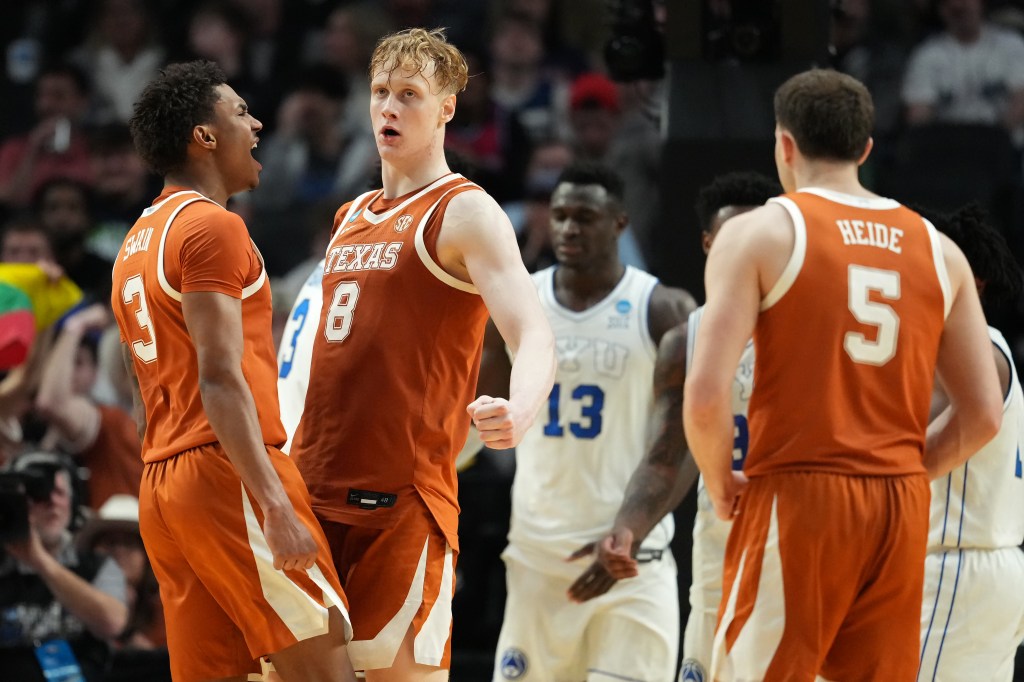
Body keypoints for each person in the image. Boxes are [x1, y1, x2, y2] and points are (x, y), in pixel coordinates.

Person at [683, 68, 1002, 680]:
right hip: (900, 504)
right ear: (866, 149)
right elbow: (983, 412)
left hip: (798, 492)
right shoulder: (940, 249)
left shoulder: (760, 232)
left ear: (784, 145)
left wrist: (722, 481)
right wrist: (910, 471)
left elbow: (705, 395)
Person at [289, 27, 555, 680]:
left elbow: (535, 331)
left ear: (446, 109)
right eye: (380, 92)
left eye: (410, 95)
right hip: (312, 490)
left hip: (400, 499)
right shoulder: (350, 214)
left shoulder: (466, 212)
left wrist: (521, 409)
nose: (389, 108)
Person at [110, 60, 355, 682]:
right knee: (326, 669)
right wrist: (272, 503)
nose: (257, 122)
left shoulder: (137, 239)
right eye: (241, 111)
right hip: (227, 471)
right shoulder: (213, 227)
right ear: (206, 136)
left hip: (164, 479)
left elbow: (149, 387)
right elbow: (220, 377)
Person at [477, 161, 694, 681]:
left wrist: (631, 532)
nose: (569, 228)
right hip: (537, 559)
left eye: (585, 217)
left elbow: (681, 445)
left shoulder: (662, 309)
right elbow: (472, 414)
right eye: (560, 215)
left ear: (619, 221)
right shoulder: (516, 302)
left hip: (629, 561)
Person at [571, 171, 782, 682]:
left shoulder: (813, 328)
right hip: (718, 550)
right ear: (710, 245)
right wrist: (627, 528)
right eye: (734, 238)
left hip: (797, 552)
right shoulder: (690, 339)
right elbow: (666, 454)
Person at [917, 203, 1024, 682]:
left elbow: (905, 442)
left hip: (957, 570)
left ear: (972, 281)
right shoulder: (987, 348)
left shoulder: (967, 346)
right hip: (983, 572)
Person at [0, 451, 128, 682]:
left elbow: (112, 622)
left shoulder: (95, 565)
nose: (52, 502)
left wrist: (39, 561)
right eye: (39, 494)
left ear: (73, 502)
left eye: (59, 492)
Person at [35, 302, 144, 508]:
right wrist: (76, 326)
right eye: (133, 361)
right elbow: (52, 403)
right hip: (118, 535)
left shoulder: (191, 421)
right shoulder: (112, 423)